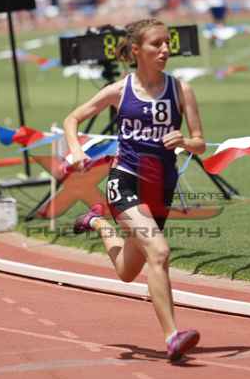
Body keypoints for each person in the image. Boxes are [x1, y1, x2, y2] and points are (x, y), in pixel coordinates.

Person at [63, 18, 206, 361]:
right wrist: (76, 150)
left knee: (127, 271)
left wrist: (185, 141)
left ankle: (98, 222)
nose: (165, 49)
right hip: (125, 180)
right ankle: (172, 337)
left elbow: (200, 142)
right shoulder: (119, 90)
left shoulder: (181, 90)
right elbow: (72, 119)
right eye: (157, 44)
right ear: (137, 50)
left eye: (168, 43)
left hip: (161, 188)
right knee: (159, 252)